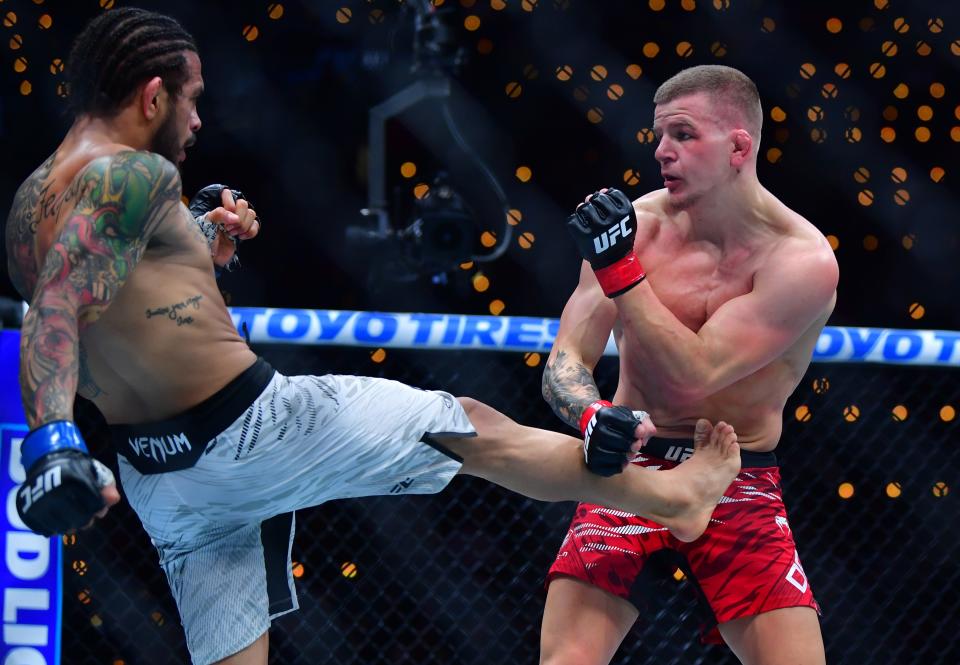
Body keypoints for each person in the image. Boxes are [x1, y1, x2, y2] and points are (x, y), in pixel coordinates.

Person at [3, 10, 742, 665]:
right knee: (469, 426)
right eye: (191, 100)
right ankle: (670, 497)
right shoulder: (133, 174)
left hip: (162, 480)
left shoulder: (34, 199)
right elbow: (60, 308)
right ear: (152, 96)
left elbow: (96, 300)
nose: (197, 122)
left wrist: (197, 244)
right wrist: (52, 441)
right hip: (255, 431)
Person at [539, 64, 838, 665]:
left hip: (736, 473)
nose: (662, 152)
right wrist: (592, 413)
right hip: (631, 465)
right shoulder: (638, 227)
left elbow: (697, 373)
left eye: (682, 134)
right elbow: (566, 358)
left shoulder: (800, 259)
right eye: (658, 137)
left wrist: (622, 270)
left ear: (738, 146)